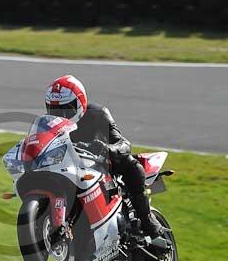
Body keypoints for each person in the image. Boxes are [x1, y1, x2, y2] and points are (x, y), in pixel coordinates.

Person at [44, 75, 167, 242]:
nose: (61, 115)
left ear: (80, 103)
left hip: (102, 165)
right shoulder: (50, 126)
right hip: (71, 167)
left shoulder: (97, 114)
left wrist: (105, 148)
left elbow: (122, 143)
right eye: (54, 110)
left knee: (131, 163)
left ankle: (148, 221)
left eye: (67, 109)